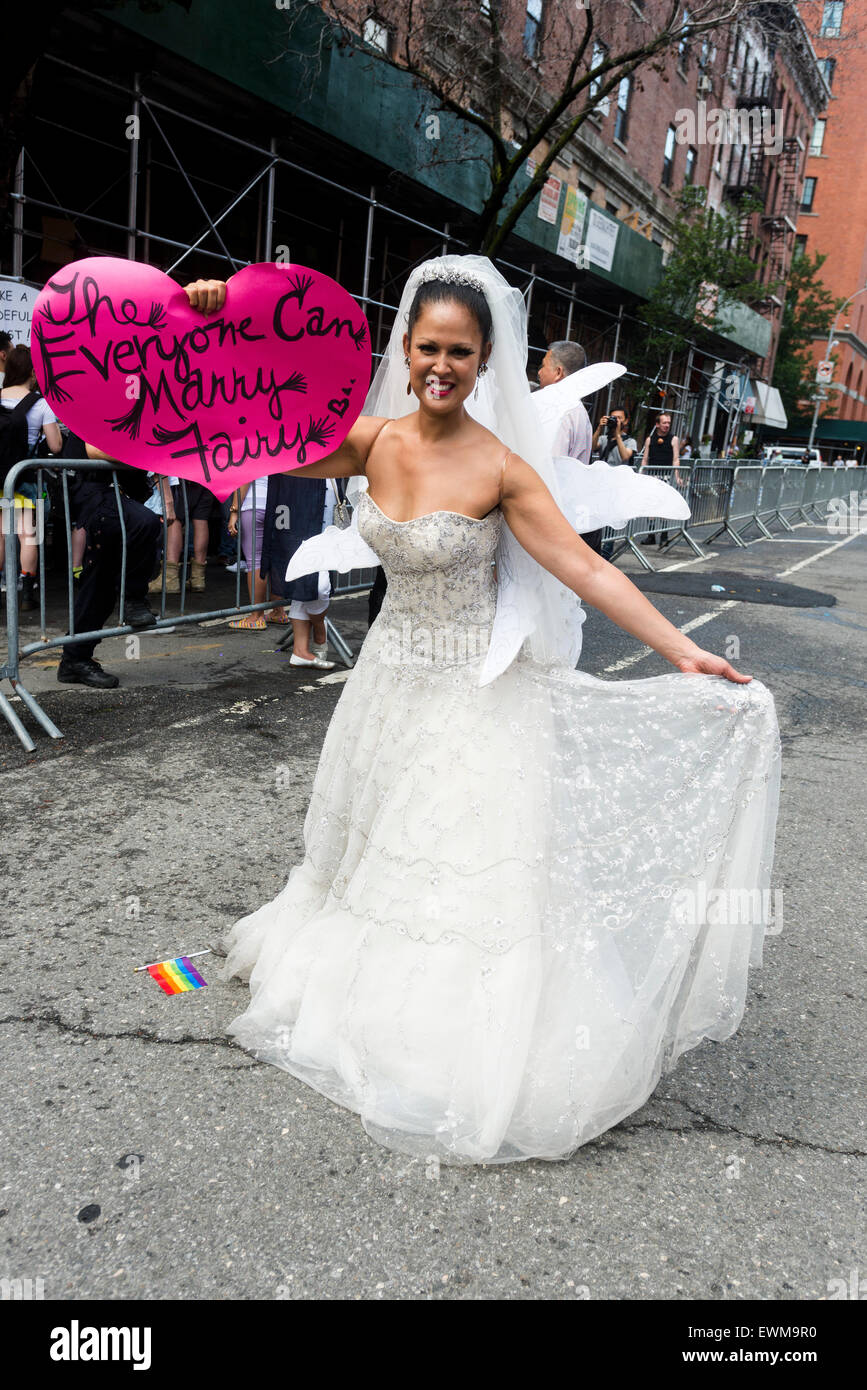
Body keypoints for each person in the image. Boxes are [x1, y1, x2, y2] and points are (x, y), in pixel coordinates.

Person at [182, 257, 781, 1167]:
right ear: (406, 347)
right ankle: (359, 990)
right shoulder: (374, 441)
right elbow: (259, 429)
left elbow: (586, 568)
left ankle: (445, 1037)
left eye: (459, 351)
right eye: (427, 346)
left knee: (461, 867)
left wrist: (682, 650)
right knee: (373, 849)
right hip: (386, 684)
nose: (440, 365)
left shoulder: (502, 469)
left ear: (483, 358)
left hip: (475, 696)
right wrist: (219, 326)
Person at [55, 430, 160, 688]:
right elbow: (95, 450)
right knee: (144, 522)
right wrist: (139, 457)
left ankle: (74, 659)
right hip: (92, 494)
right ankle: (134, 599)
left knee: (99, 586)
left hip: (108, 494)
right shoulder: (95, 403)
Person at [0, 344, 62, 611]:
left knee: (0, 536)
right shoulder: (40, 403)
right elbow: (56, 445)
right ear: (33, 372)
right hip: (23, 479)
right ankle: (27, 593)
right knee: (28, 536)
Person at [258, 470, 336, 669]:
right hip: (298, 526)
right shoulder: (292, 455)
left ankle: (300, 651)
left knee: (305, 589)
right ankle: (320, 631)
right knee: (317, 586)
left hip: (328, 528)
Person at [537, 339, 603, 557]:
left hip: (555, 517)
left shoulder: (562, 412)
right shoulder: (576, 409)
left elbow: (550, 470)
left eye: (543, 365)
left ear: (558, 372)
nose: (538, 372)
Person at [224, 476, 287, 630]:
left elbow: (244, 477)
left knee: (255, 560)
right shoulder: (284, 450)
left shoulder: (251, 450)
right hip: (281, 507)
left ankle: (256, 616)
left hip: (255, 504)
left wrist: (234, 510)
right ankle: (278, 611)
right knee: (276, 558)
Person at [638, 412, 683, 547]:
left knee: (664, 505)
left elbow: (676, 459)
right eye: (664, 423)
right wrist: (642, 474)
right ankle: (651, 535)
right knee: (651, 505)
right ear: (657, 424)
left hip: (666, 476)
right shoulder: (649, 439)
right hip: (652, 475)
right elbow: (645, 458)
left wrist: (677, 476)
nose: (667, 425)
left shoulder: (673, 439)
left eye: (668, 423)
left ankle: (664, 535)